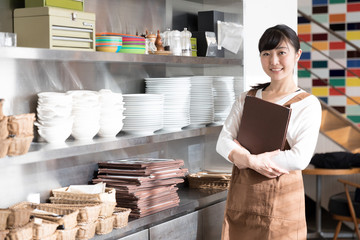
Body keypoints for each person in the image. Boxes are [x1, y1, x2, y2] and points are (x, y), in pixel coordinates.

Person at [216, 24, 322, 240]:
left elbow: (300, 158)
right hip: (242, 203)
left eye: (281, 52)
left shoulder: (307, 104)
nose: (274, 61)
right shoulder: (248, 98)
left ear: (297, 54)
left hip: (283, 208)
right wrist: (251, 161)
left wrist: (246, 158)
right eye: (266, 54)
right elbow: (223, 142)